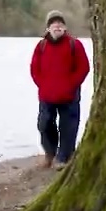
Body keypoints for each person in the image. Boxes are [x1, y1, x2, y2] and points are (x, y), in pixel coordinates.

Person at [29, 10, 90, 169]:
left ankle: (64, 157)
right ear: (48, 28)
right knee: (44, 125)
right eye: (53, 24)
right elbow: (34, 69)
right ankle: (50, 153)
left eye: (60, 23)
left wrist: (71, 84)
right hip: (47, 95)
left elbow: (83, 67)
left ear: (65, 27)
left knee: (68, 127)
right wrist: (43, 85)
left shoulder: (74, 44)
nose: (57, 26)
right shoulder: (41, 46)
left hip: (69, 95)